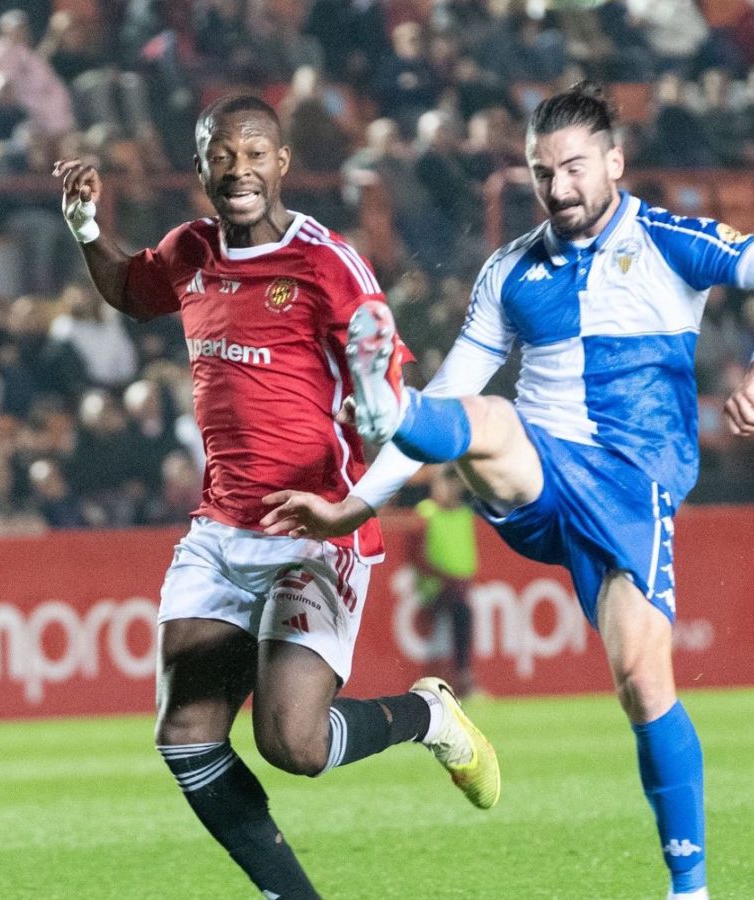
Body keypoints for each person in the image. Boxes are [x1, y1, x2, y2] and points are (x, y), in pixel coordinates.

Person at [262, 81, 754, 900]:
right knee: (486, 417)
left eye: (573, 168)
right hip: (537, 471)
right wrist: (357, 501)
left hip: (632, 491)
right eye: (542, 173)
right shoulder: (510, 271)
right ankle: (386, 402)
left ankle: (690, 889)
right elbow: (461, 384)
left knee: (641, 677)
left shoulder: (671, 242)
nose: (559, 188)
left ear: (614, 161)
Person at [53, 94, 499, 899]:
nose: (240, 171)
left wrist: (370, 423)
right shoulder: (190, 249)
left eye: (255, 155)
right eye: (222, 156)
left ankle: (428, 716)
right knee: (187, 735)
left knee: (292, 745)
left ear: (283, 164)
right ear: (200, 167)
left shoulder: (328, 265)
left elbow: (393, 406)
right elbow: (129, 289)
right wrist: (87, 228)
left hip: (313, 528)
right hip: (221, 528)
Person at [410, 464, 478, 696]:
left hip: (459, 587)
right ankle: (463, 678)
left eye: (454, 482)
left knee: (463, 610)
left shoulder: (465, 513)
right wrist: (446, 578)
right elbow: (417, 555)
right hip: (432, 588)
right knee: (462, 612)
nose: (450, 488)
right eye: (445, 482)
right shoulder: (426, 511)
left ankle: (462, 678)